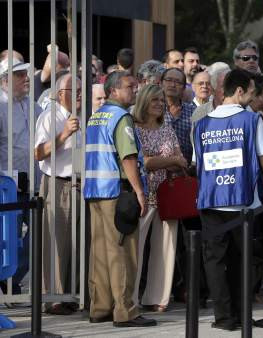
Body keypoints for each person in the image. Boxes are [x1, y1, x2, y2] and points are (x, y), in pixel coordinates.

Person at [193, 69, 263, 331]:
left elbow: (196, 163)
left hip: (210, 200)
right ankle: (241, 313)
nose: (252, 97)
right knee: (242, 261)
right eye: (250, 92)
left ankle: (223, 317)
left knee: (215, 262)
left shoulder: (201, 124)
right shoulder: (251, 120)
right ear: (238, 91)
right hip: (242, 201)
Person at [84, 71, 155, 327]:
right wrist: (138, 190)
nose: (135, 90)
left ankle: (100, 307)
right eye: (130, 87)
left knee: (101, 253)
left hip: (95, 191)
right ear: (114, 90)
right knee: (123, 253)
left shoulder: (96, 117)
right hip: (117, 191)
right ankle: (125, 311)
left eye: (136, 86)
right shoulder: (122, 118)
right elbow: (127, 158)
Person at [131, 84, 187, 312]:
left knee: (166, 249)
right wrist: (167, 160)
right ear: (144, 101)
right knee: (135, 250)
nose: (159, 104)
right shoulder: (134, 128)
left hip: (167, 194)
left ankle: (157, 298)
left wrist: (160, 160)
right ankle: (130, 297)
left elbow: (182, 160)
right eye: (155, 100)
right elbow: (144, 162)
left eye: (162, 101)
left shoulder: (167, 127)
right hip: (143, 195)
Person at [34, 73, 81, 315]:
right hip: (57, 182)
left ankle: (70, 294)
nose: (80, 95)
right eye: (76, 90)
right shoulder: (49, 116)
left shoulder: (83, 116)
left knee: (75, 243)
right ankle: (52, 297)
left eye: (82, 90)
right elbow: (39, 152)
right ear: (61, 94)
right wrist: (63, 135)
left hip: (80, 184)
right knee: (54, 243)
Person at [0, 57, 43, 294]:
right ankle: (8, 280)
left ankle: (13, 278)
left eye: (25, 74)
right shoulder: (0, 105)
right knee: (11, 237)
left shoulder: (32, 104)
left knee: (36, 234)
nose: (25, 78)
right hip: (8, 185)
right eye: (19, 75)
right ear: (5, 80)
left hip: (32, 182)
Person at [161, 68, 194, 164]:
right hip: (159, 170)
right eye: (169, 80)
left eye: (178, 82)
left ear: (184, 88)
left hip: (185, 171)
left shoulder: (192, 111)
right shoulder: (153, 109)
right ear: (161, 83)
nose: (172, 85)